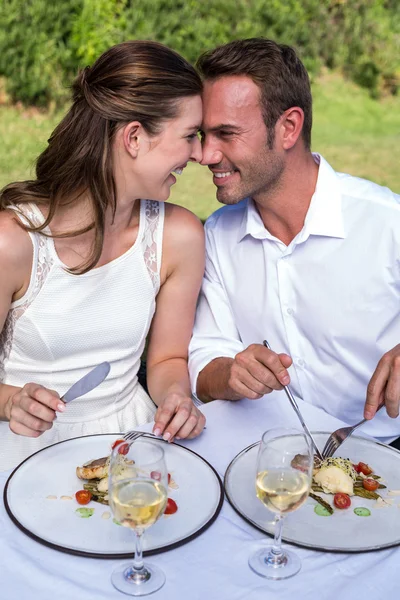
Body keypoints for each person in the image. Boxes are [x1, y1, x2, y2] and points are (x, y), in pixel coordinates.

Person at [0, 40, 206, 471]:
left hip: (130, 443)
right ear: (134, 137)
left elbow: (168, 358)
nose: (200, 154)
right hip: (24, 447)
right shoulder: (13, 240)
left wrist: (175, 397)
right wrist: (12, 402)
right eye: (190, 136)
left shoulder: (179, 236)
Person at [189, 37, 400, 444]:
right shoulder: (216, 236)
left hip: (386, 454)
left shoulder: (387, 222)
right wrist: (230, 374)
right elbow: (202, 359)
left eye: (226, 134)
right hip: (269, 457)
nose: (206, 154)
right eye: (203, 134)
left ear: (288, 128)